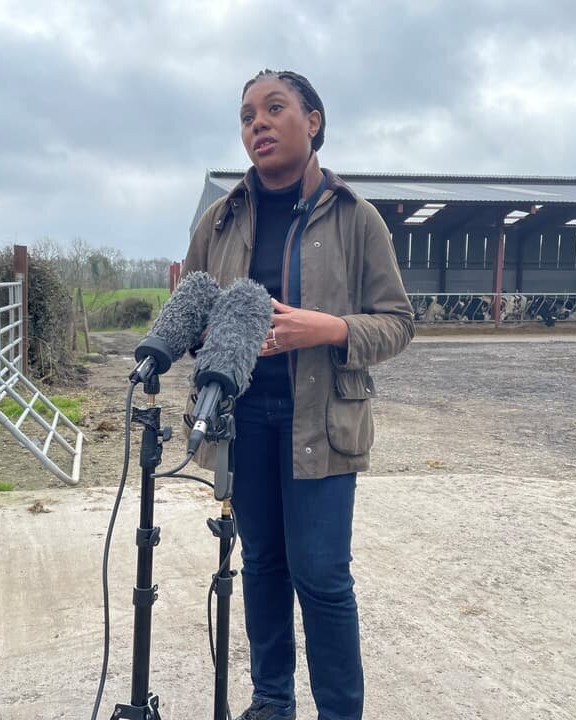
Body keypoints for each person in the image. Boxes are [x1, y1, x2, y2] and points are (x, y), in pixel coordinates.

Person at [182, 69, 415, 720]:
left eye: (274, 108)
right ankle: (271, 702)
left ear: (313, 120)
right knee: (261, 565)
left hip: (323, 421)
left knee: (322, 577)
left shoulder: (355, 218)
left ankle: (339, 712)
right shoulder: (219, 221)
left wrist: (331, 328)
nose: (256, 123)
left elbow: (398, 323)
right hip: (244, 418)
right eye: (246, 115)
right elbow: (192, 312)